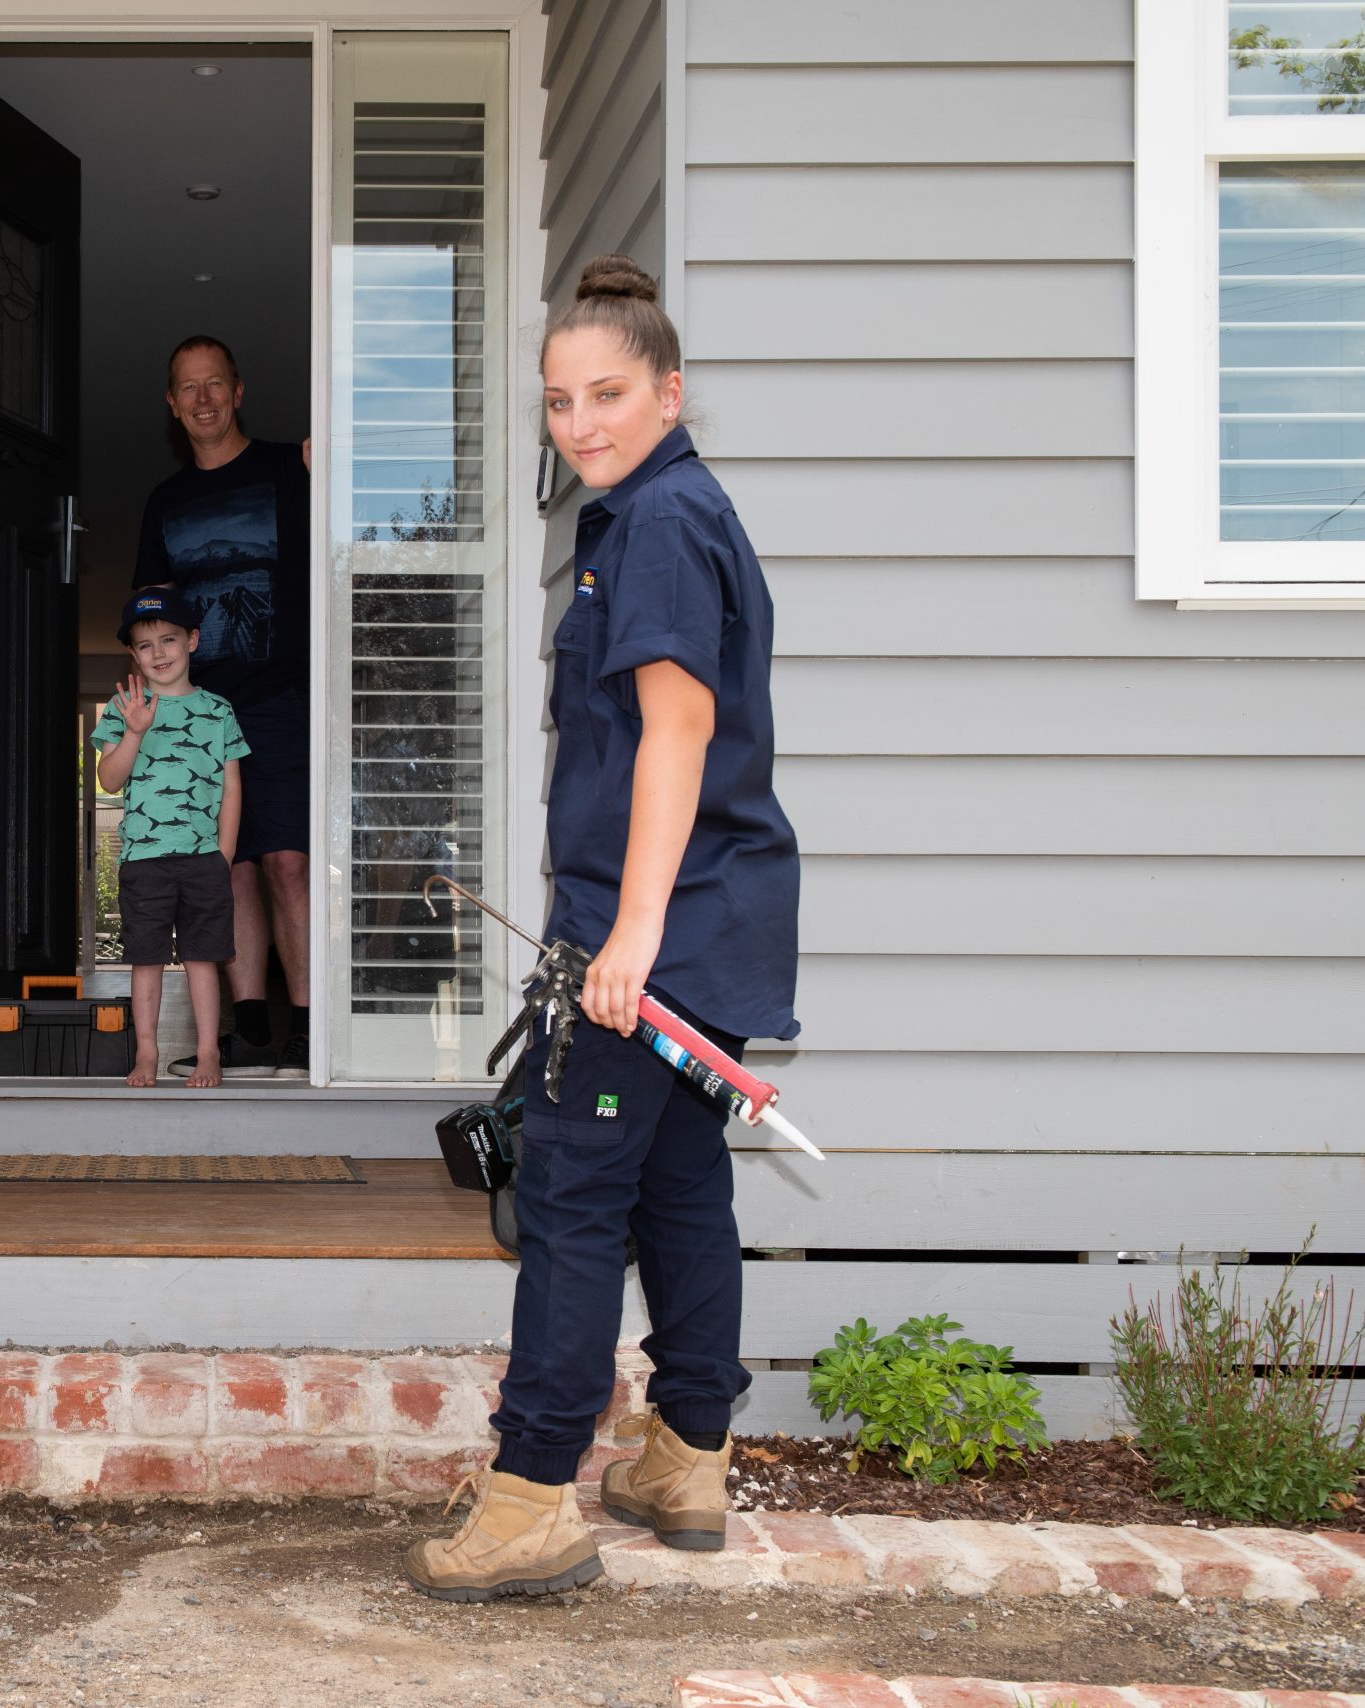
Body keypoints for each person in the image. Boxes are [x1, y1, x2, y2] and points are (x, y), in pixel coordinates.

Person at [405, 256, 801, 1600]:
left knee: (572, 1197)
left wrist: (627, 938)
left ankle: (530, 1501)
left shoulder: (660, 525)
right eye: (561, 401)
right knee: (681, 1191)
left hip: (664, 934)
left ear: (671, 389)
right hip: (705, 922)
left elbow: (678, 730)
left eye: (610, 394)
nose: (582, 423)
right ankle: (686, 1454)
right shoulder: (649, 513)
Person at [132, 336, 311, 1075]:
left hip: (284, 698)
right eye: (187, 388)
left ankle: (305, 1030)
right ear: (172, 406)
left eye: (215, 384)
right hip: (202, 712)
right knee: (223, 866)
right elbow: (147, 614)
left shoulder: (287, 471)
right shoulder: (165, 503)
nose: (203, 398)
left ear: (237, 391)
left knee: (288, 864)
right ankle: (248, 1033)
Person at [92, 589, 248, 1088]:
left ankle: (207, 1054)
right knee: (147, 960)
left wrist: (224, 854)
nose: (158, 653)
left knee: (204, 958)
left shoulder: (219, 710)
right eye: (144, 645)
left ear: (193, 641)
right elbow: (110, 780)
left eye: (169, 640)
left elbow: (231, 786)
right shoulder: (124, 707)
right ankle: (146, 1055)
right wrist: (135, 731)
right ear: (133, 654)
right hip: (145, 860)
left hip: (204, 858)